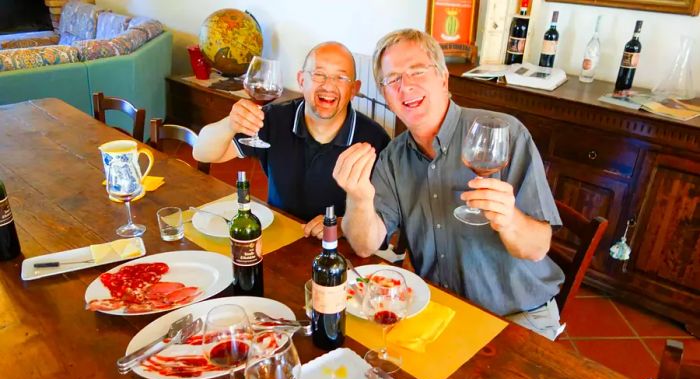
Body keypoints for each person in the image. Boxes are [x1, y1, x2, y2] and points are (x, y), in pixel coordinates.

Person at [333, 29, 566, 340]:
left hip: (517, 317)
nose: (407, 86)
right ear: (384, 94)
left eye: (417, 71)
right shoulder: (393, 157)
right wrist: (359, 198)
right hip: (440, 311)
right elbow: (364, 244)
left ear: (443, 78)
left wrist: (509, 220)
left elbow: (537, 248)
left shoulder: (504, 134)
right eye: (393, 79)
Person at [193, 42, 390, 239]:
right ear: (301, 80)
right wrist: (230, 125)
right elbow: (202, 152)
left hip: (342, 252)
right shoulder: (274, 119)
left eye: (341, 77)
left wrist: (343, 225)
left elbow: (385, 221)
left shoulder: (374, 140)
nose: (328, 85)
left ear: (354, 89)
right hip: (280, 238)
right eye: (319, 74)